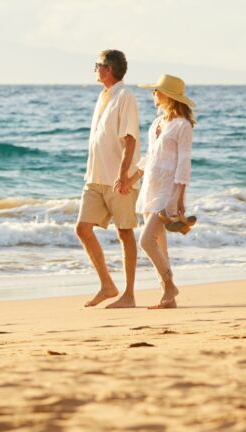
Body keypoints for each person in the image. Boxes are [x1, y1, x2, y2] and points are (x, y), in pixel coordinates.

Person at [75, 49, 141, 308]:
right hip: (94, 178)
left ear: (108, 69)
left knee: (125, 232)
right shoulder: (104, 97)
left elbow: (130, 139)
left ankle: (129, 294)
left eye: (98, 65)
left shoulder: (125, 96)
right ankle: (107, 285)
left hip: (118, 180)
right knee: (82, 229)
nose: (95, 69)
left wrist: (124, 175)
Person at [128, 74, 196, 309]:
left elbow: (184, 162)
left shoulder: (183, 125)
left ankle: (169, 285)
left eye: (156, 91)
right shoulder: (157, 123)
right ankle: (168, 298)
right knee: (159, 245)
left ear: (169, 95)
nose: (153, 94)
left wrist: (178, 197)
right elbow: (149, 158)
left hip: (168, 191)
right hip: (150, 187)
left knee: (146, 242)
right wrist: (131, 180)